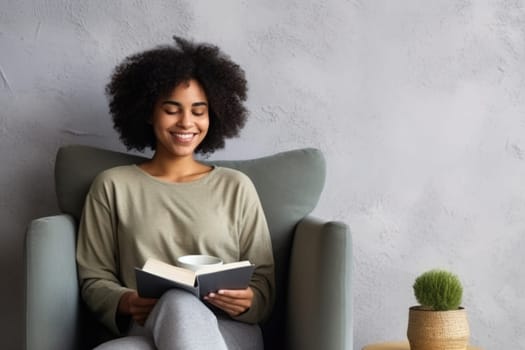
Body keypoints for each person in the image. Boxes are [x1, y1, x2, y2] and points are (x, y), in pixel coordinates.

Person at [76, 36, 275, 350]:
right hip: (148, 326)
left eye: (199, 111)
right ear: (147, 112)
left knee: (180, 304)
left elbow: (263, 280)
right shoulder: (112, 186)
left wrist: (249, 299)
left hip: (227, 330)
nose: (187, 122)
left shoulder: (236, 187)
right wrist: (126, 301)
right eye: (172, 110)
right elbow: (93, 276)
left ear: (215, 115)